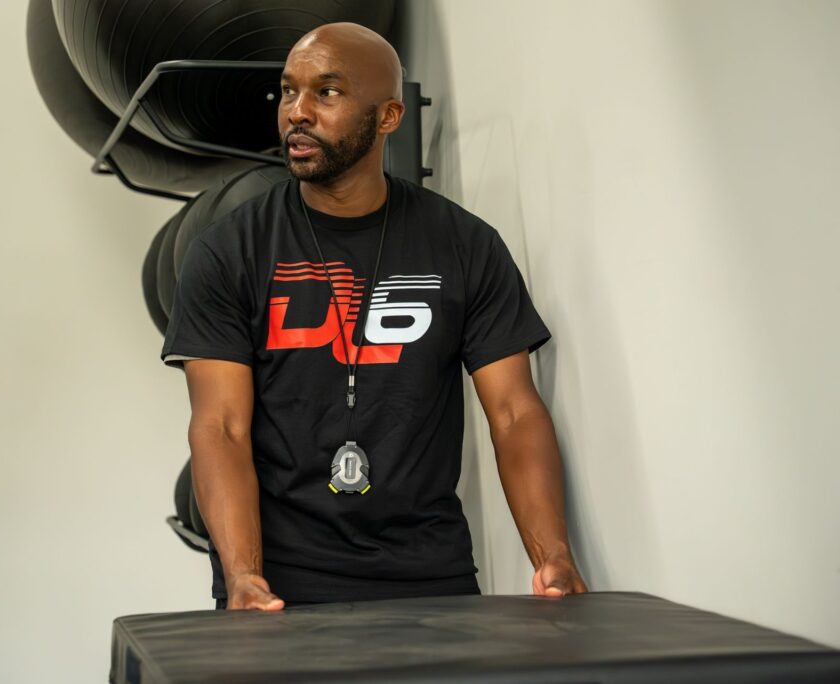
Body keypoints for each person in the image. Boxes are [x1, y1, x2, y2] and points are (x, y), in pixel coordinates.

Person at [161, 22, 588, 611]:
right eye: (288, 91)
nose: (297, 112)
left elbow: (514, 413)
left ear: (388, 116)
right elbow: (221, 428)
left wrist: (553, 556)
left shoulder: (464, 245)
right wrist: (243, 576)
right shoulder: (228, 251)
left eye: (327, 92)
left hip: (431, 577)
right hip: (280, 587)